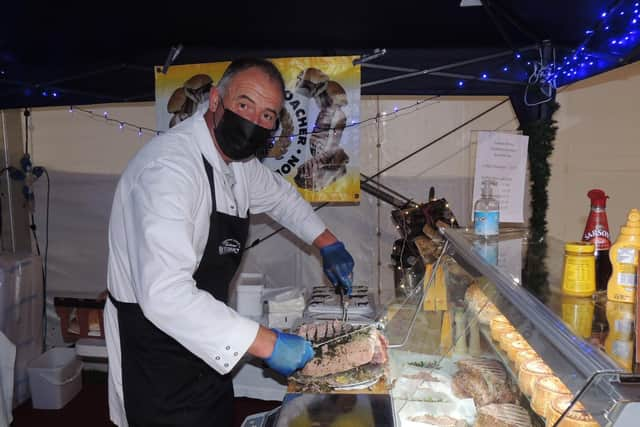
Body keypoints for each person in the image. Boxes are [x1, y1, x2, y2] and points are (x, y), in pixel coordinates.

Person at [104, 57, 355, 427]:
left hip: (205, 342)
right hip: (156, 350)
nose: (254, 121)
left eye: (268, 115)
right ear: (216, 100)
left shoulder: (237, 163)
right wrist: (268, 343)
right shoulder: (168, 171)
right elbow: (164, 294)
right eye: (244, 105)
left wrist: (326, 241)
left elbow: (282, 200)